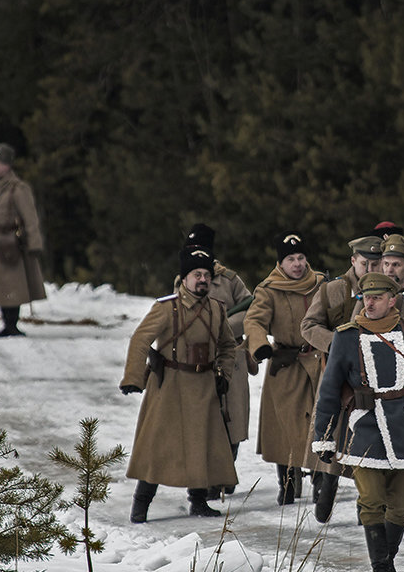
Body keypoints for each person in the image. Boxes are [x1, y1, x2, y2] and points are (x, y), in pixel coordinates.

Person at [312, 272, 404, 572]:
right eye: (365, 297)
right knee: (371, 500)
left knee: (402, 506)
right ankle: (382, 568)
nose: (368, 303)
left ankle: (388, 559)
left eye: (375, 297)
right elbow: (329, 389)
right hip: (364, 429)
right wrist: (324, 436)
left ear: (392, 299)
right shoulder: (346, 336)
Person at [120, 244, 237, 521]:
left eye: (206, 275)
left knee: (202, 443)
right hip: (169, 386)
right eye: (196, 274)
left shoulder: (217, 310)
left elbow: (228, 347)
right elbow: (140, 340)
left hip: (204, 384)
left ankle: (198, 501)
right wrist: (134, 378)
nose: (202, 280)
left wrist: (224, 374)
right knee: (157, 447)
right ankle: (141, 504)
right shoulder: (166, 309)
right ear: (184, 278)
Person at [300, 231, 383, 519]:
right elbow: (309, 326)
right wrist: (337, 344)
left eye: (376, 264)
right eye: (365, 264)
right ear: (353, 261)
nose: (370, 270)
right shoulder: (332, 290)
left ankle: (368, 506)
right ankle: (325, 491)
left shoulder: (388, 292)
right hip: (338, 375)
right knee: (332, 437)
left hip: (373, 378)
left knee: (370, 439)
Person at [244, 231, 326, 505]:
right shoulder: (269, 289)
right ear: (281, 262)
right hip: (286, 363)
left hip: (319, 362)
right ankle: (288, 482)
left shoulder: (321, 284)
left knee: (321, 423)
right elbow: (254, 321)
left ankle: (320, 479)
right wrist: (260, 346)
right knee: (286, 428)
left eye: (301, 257)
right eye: (291, 258)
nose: (298, 263)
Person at [181, 223, 252, 497]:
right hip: (196, 360)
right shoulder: (183, 279)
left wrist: (221, 328)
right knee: (202, 424)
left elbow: (250, 311)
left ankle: (225, 471)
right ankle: (207, 482)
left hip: (230, 355)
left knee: (231, 422)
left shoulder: (229, 280)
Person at [0, 142, 46, 338]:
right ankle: (6, 323)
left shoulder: (18, 188)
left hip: (10, 243)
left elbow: (30, 218)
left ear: (5, 165)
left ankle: (12, 324)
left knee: (12, 285)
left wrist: (35, 244)